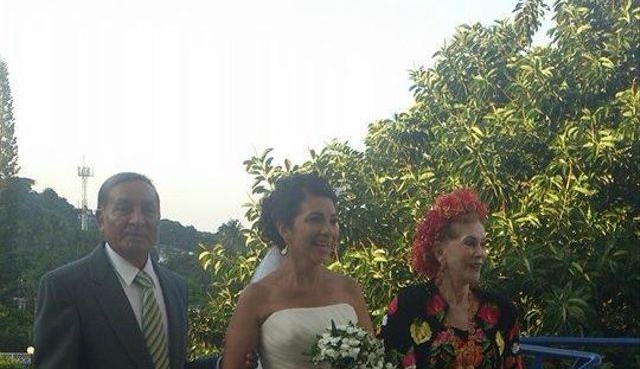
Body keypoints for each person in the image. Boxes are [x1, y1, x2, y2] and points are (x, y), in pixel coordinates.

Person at [33, 172, 223, 369]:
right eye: (124, 209)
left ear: (158, 217)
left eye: (148, 210)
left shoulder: (176, 287)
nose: (137, 220)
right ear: (100, 219)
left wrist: (221, 364)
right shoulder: (65, 287)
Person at [220, 173, 374, 369]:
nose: (328, 230)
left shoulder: (349, 288)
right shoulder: (257, 297)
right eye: (315, 219)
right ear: (284, 229)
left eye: (333, 221)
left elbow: (372, 359)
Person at [380, 188, 523, 369]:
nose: (480, 253)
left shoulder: (503, 312)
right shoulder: (409, 306)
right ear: (440, 252)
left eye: (483, 244)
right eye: (470, 243)